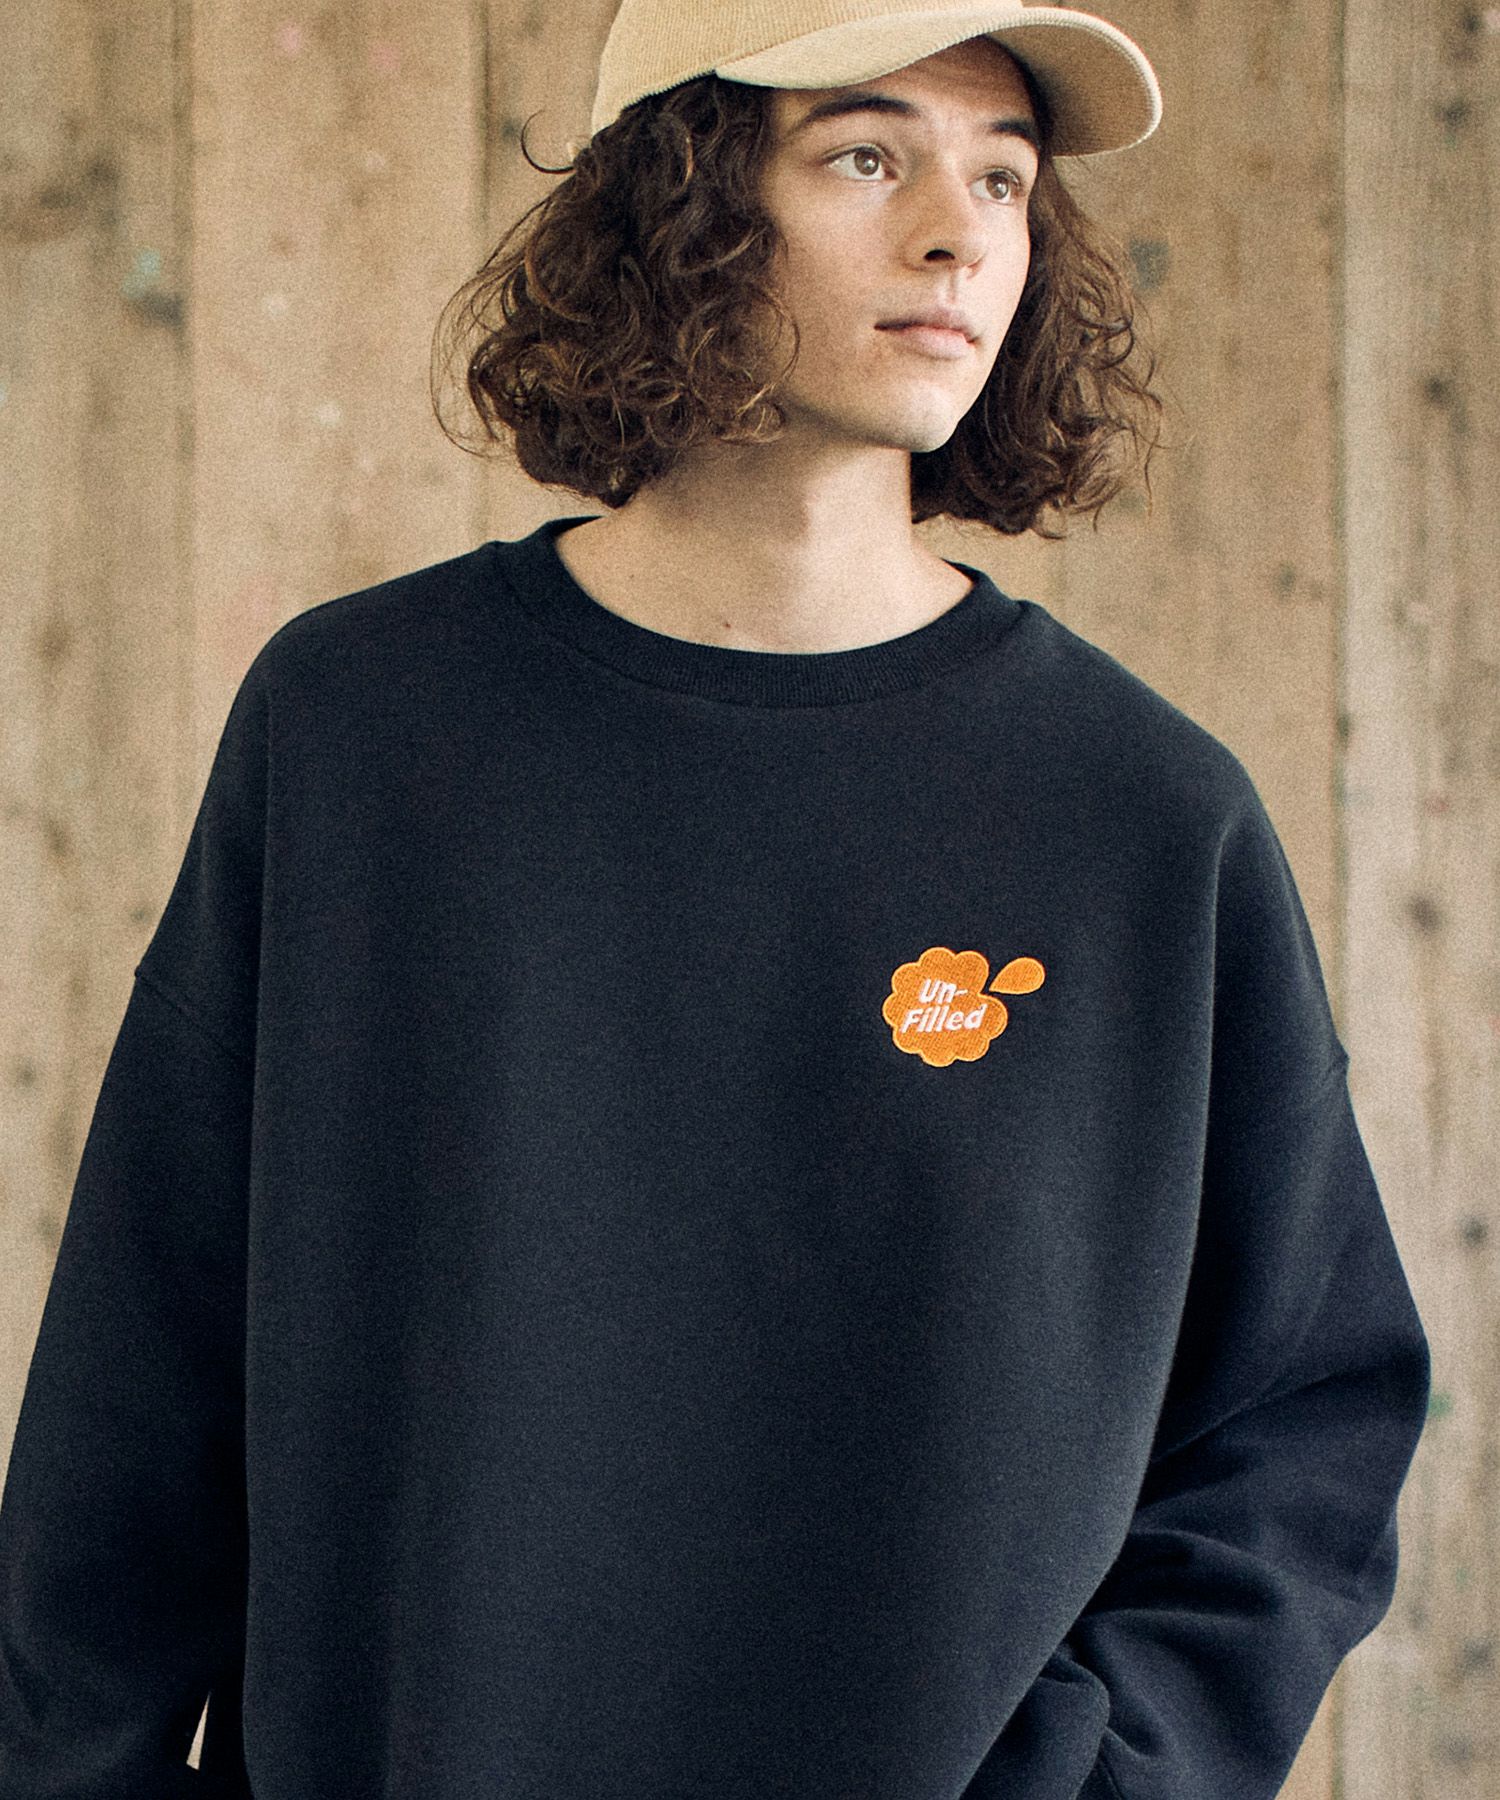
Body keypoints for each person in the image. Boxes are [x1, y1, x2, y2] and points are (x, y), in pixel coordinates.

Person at [0, 2, 1430, 1796]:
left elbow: (1308, 1407)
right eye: (867, 154)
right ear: (672, 205)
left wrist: (1106, 1776)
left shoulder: (1140, 818)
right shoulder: (368, 730)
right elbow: (145, 1366)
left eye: (1004, 178)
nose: (959, 233)